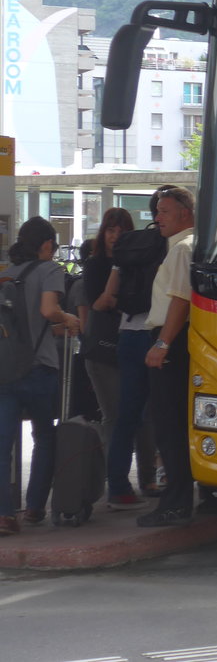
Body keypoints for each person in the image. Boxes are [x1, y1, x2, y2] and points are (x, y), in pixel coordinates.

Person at [0, 216, 81, 536]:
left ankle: (5, 515)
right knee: (44, 437)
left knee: (2, 443)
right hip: (39, 368)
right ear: (47, 245)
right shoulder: (50, 270)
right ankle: (35, 507)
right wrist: (69, 317)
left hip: (5, 370)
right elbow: (48, 312)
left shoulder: (6, 273)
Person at [138, 185, 213, 526]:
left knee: (170, 426)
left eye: (164, 211)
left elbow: (180, 301)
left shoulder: (183, 248)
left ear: (185, 213)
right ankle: (208, 495)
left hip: (173, 340)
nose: (158, 217)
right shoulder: (187, 246)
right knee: (186, 423)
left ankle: (176, 501)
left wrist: (163, 345)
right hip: (182, 340)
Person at [83, 207, 160, 499]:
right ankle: (115, 482)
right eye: (110, 230)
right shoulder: (97, 264)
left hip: (130, 339)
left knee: (142, 415)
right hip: (105, 349)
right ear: (102, 233)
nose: (115, 237)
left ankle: (147, 478)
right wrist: (118, 291)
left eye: (121, 231)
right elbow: (97, 304)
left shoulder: (141, 259)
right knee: (119, 416)